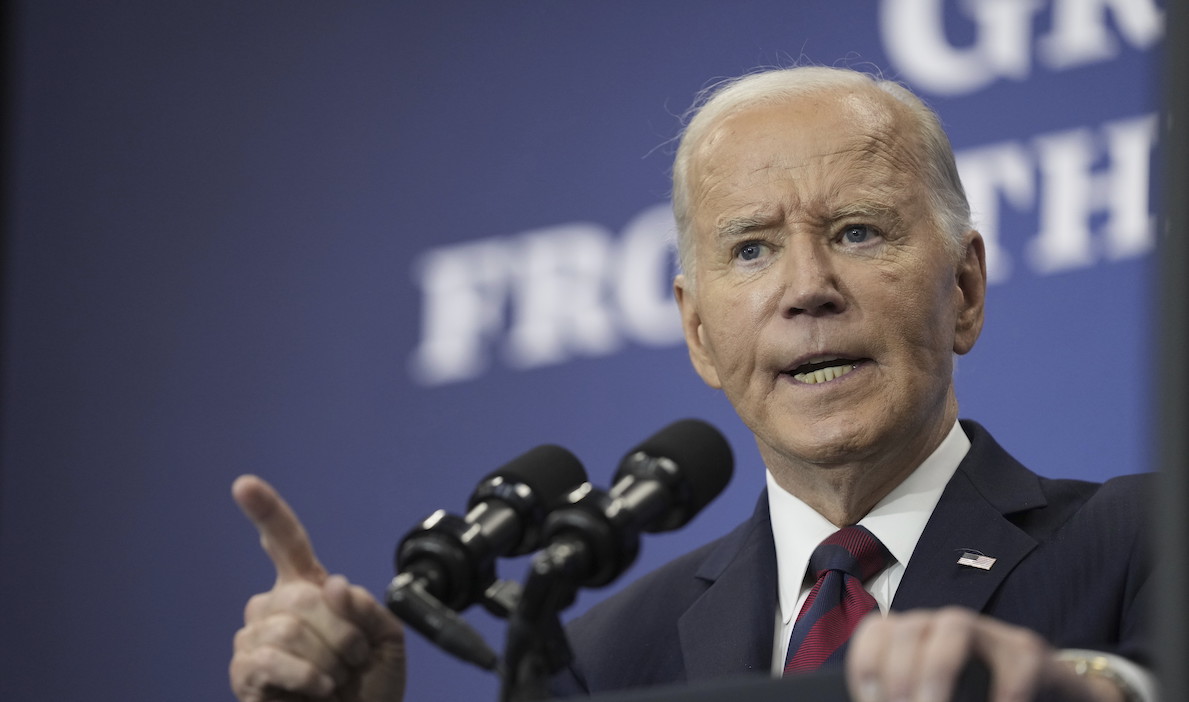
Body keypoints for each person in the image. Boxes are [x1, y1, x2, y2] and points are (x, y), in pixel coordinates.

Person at [228, 66, 1153, 702]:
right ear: (699, 333)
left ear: (962, 290)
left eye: (858, 231)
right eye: (751, 249)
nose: (806, 288)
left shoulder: (1144, 539)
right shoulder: (601, 659)